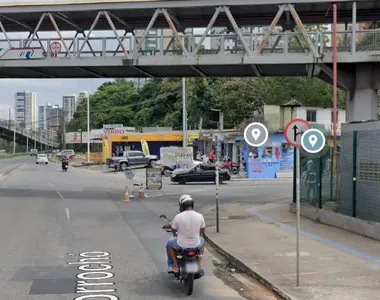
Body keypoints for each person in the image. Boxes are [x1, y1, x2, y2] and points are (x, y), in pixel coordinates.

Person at [163, 194, 206, 276]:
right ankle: (199, 265)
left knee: (169, 243)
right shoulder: (200, 216)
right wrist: (197, 236)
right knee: (202, 241)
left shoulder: (178, 217)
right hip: (196, 244)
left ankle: (175, 265)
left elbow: (173, 229)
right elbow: (202, 230)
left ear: (181, 206)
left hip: (181, 244)